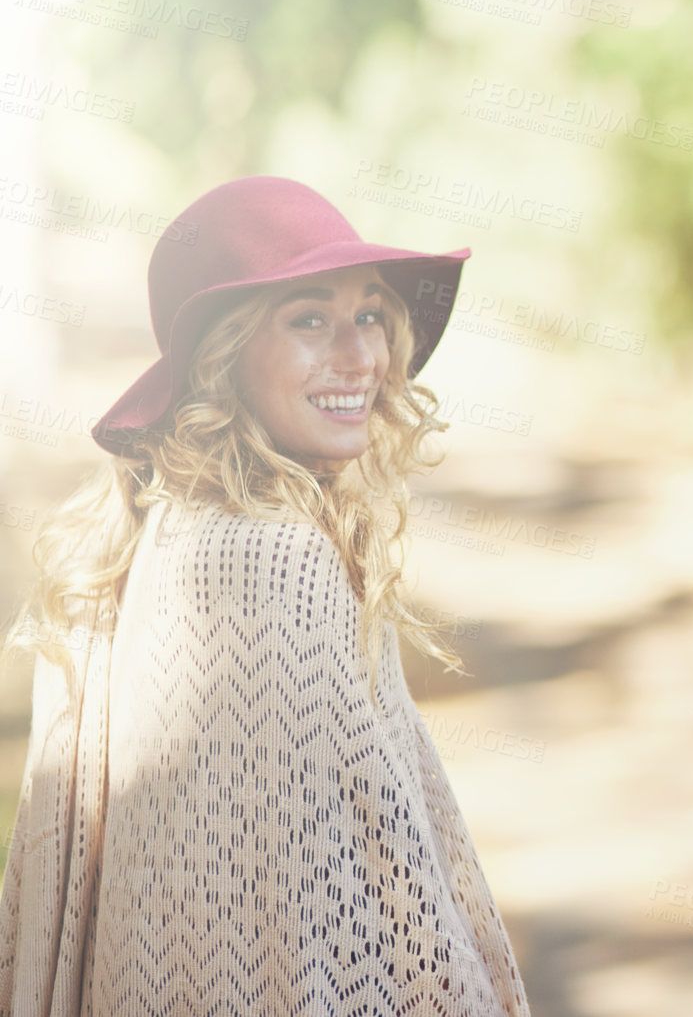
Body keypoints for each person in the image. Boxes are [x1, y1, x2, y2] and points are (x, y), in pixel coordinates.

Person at [0, 175, 530, 1015]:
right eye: (309, 318)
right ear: (224, 354)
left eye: (369, 313)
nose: (360, 355)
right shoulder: (272, 560)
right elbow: (375, 910)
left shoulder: (168, 520)